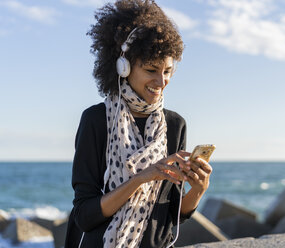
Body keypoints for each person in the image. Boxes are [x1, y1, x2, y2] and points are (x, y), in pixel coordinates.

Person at [64, 1, 213, 247]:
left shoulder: (174, 125)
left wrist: (198, 190)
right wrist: (140, 179)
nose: (161, 80)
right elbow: (84, 215)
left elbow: (172, 216)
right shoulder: (96, 120)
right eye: (151, 70)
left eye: (167, 71)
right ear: (123, 67)